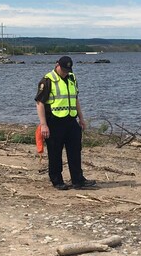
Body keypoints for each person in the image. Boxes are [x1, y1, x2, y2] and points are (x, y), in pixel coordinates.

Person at [35, 56, 96, 190]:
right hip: (54, 121)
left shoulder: (72, 78)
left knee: (75, 151)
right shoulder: (48, 80)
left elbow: (75, 99)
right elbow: (39, 103)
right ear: (57, 65)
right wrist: (43, 124)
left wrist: (81, 118)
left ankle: (78, 179)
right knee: (55, 152)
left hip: (71, 120)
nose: (65, 72)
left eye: (67, 70)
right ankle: (57, 180)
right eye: (63, 69)